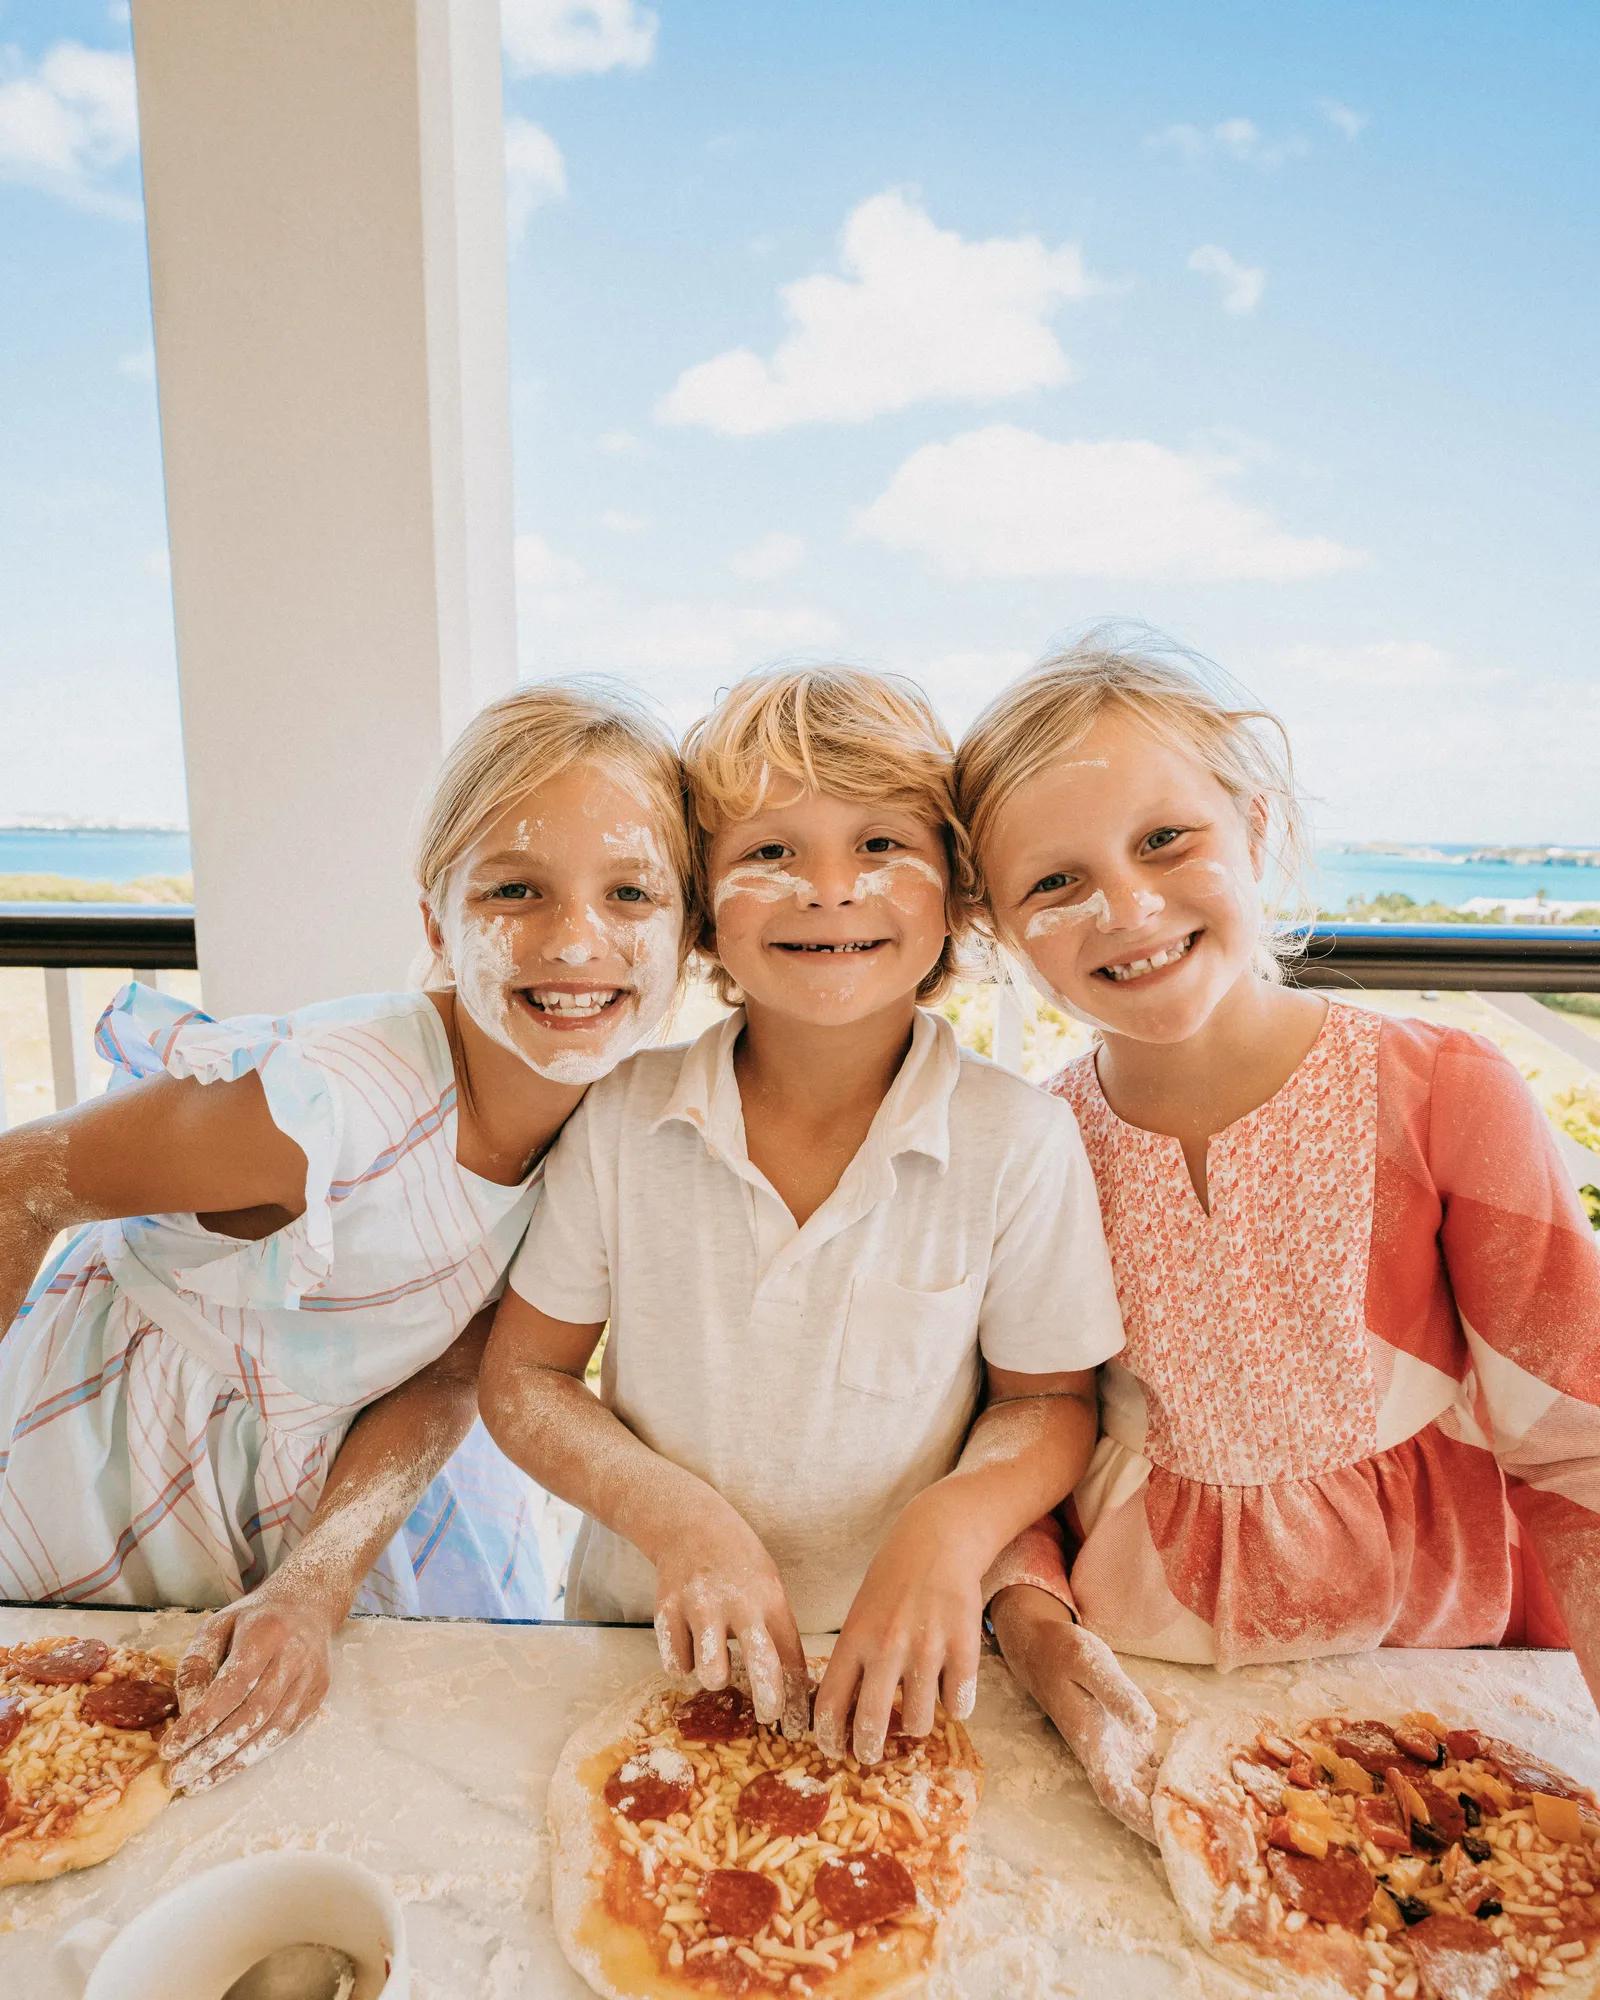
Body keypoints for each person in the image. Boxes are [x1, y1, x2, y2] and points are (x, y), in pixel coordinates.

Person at [956, 629, 1600, 1839]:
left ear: (1253, 831)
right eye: (1054, 881)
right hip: (1140, 1693)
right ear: (995, 929)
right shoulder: (1030, 1147)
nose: (1127, 906)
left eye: (1164, 840)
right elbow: (1013, 1440)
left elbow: (1578, 1454)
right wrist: (1037, 1631)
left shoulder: (1446, 1094)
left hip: (1434, 1679)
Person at [0, 680, 690, 1790]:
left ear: (689, 931)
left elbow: (458, 1361)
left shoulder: (602, 1124)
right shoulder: (321, 1105)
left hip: (342, 1457)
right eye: (514, 889)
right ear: (435, 920)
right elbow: (17, 1182)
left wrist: (318, 1580)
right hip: (128, 1452)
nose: (576, 939)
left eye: (630, 893)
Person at [479, 665, 1125, 1763]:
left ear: (959, 894)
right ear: (696, 912)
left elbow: (1052, 1402)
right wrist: (677, 1518)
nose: (829, 887)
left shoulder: (1016, 1138)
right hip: (633, 1645)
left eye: (880, 844)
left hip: (899, 1670)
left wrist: (950, 1529)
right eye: (769, 852)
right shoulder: (624, 1113)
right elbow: (524, 1380)